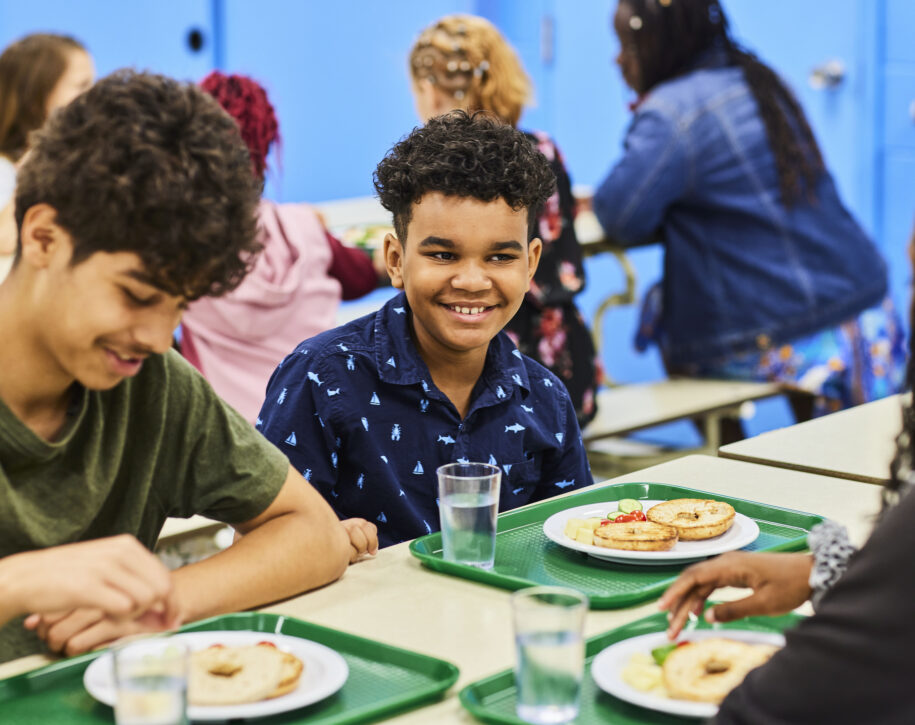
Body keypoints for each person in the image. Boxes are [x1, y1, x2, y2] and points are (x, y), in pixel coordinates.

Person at [0, 70, 377, 663]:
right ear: (44, 238)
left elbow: (315, 535)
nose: (157, 337)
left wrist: (164, 601)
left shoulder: (152, 385)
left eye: (179, 305)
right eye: (137, 294)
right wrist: (20, 583)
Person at [257, 111, 594, 547]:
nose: (472, 282)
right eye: (442, 255)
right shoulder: (321, 379)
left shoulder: (546, 400)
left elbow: (573, 543)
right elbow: (264, 534)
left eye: (499, 258)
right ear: (396, 260)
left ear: (532, 263)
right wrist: (322, 543)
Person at [594, 0, 905, 440]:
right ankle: (784, 468)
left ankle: (733, 458)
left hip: (784, 331)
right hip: (864, 304)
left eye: (627, 44)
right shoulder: (758, 79)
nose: (617, 58)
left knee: (664, 309)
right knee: (858, 462)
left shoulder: (672, 113)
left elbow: (619, 214)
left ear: (660, 43)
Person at [408, 15, 600, 426]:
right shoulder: (543, 148)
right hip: (571, 363)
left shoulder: (443, 170)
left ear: (430, 89)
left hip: (503, 373)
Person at [180, 71, 377, 422]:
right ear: (266, 146)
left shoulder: (178, 248)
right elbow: (364, 276)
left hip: (223, 437)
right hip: (312, 430)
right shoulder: (305, 229)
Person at [0, 33, 95, 282]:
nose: (93, 98)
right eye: (82, 86)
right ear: (35, 96)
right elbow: (7, 241)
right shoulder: (5, 173)